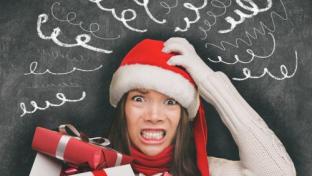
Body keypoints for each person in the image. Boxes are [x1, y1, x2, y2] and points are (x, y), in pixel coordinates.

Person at [108, 37, 296, 176]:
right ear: (123, 109)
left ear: (184, 117)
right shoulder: (86, 165)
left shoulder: (210, 172)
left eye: (170, 102)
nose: (154, 116)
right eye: (139, 99)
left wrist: (209, 81)